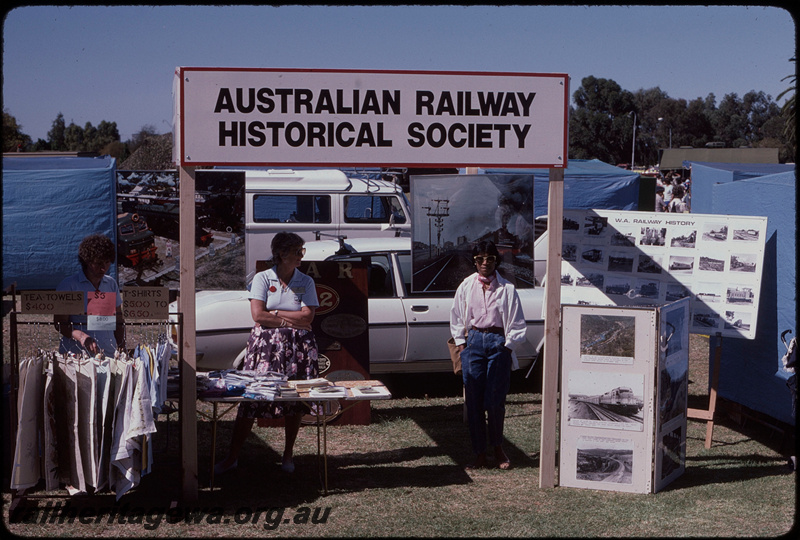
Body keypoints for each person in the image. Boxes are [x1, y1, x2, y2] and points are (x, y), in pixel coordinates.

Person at [215, 231, 319, 475]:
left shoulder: (306, 281)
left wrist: (274, 316)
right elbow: (257, 315)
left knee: (295, 399)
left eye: (301, 252)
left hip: (298, 350)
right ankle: (232, 456)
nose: (300, 257)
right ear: (281, 254)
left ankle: (288, 454)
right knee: (252, 398)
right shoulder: (262, 278)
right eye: (297, 252)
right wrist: (285, 321)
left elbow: (308, 316)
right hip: (265, 348)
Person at [450, 241, 526, 470]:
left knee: (494, 401)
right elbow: (456, 318)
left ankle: (497, 448)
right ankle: (479, 453)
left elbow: (517, 323)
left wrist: (507, 347)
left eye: (490, 259)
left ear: (496, 261)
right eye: (480, 259)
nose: (485, 263)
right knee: (473, 402)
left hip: (497, 344)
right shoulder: (466, 286)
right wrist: (463, 346)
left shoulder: (507, 289)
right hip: (473, 343)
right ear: (474, 261)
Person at [54, 233, 125, 356]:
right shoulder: (69, 285)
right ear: (87, 261)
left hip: (108, 354)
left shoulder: (111, 284)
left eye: (107, 263)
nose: (103, 268)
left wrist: (122, 347)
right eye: (98, 263)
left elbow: (119, 321)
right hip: (77, 355)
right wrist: (81, 336)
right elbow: (60, 323)